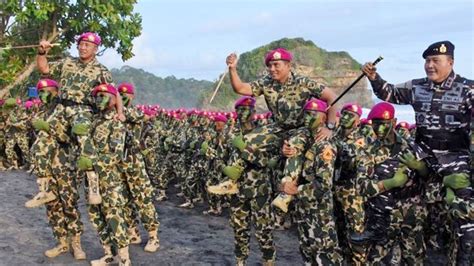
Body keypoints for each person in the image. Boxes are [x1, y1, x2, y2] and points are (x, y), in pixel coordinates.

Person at [362, 41, 472, 265]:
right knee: (387, 172)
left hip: (455, 155)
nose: (430, 65)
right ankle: (377, 231)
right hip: (423, 150)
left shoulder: (468, 89)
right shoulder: (416, 86)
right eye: (427, 61)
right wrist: (374, 77)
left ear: (450, 62)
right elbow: (389, 93)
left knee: (465, 208)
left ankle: (464, 254)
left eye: (436, 61)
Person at [209, 48, 338, 214]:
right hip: (278, 127)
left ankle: (286, 194)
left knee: (292, 148)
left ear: (288, 65)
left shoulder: (304, 83)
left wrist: (330, 126)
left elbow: (332, 97)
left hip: (300, 128)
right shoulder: (266, 83)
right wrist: (233, 68)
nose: (272, 69)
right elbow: (241, 88)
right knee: (246, 140)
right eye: (270, 65)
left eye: (276, 65)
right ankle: (232, 179)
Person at [282, 98, 342, 265]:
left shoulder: (324, 147)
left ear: (323, 118)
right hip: (304, 210)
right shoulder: (305, 141)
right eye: (306, 114)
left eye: (313, 115)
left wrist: (296, 190)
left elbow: (324, 185)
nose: (308, 118)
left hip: (319, 214)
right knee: (307, 253)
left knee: (324, 255)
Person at [87, 84, 131, 266]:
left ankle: (124, 259)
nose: (100, 99)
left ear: (114, 100)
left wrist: (94, 162)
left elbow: (116, 154)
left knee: (114, 217)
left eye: (104, 96)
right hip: (91, 180)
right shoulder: (94, 121)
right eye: (98, 96)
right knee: (96, 217)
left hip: (109, 180)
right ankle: (108, 253)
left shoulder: (116, 122)